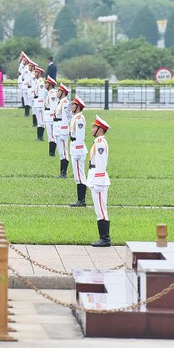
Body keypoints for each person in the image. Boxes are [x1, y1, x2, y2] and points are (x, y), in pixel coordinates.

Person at [87, 116, 111, 247]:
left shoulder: (100, 142)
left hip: (99, 179)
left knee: (101, 210)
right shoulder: (98, 141)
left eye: (94, 127)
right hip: (95, 177)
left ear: (100, 129)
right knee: (99, 209)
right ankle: (103, 238)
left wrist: (98, 182)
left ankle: (105, 239)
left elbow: (101, 163)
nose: (92, 129)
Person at [68, 96, 88, 207]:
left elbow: (80, 136)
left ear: (78, 107)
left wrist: (78, 151)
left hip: (78, 148)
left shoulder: (79, 118)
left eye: (74, 105)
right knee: (78, 175)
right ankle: (80, 200)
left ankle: (81, 200)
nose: (71, 106)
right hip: (75, 146)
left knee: (80, 176)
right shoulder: (75, 117)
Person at [54, 83, 71, 177]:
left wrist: (64, 131)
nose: (57, 92)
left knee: (64, 152)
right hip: (58, 128)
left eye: (59, 91)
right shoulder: (60, 102)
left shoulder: (65, 103)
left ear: (63, 92)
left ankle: (64, 172)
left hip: (62, 129)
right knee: (61, 152)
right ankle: (61, 172)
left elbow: (66, 118)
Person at [44, 76, 58, 156]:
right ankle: (51, 152)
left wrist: (53, 117)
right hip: (48, 115)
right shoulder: (50, 93)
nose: (45, 84)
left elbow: (53, 106)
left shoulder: (52, 94)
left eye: (46, 83)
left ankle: (52, 152)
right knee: (50, 135)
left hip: (50, 116)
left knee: (52, 135)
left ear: (50, 85)